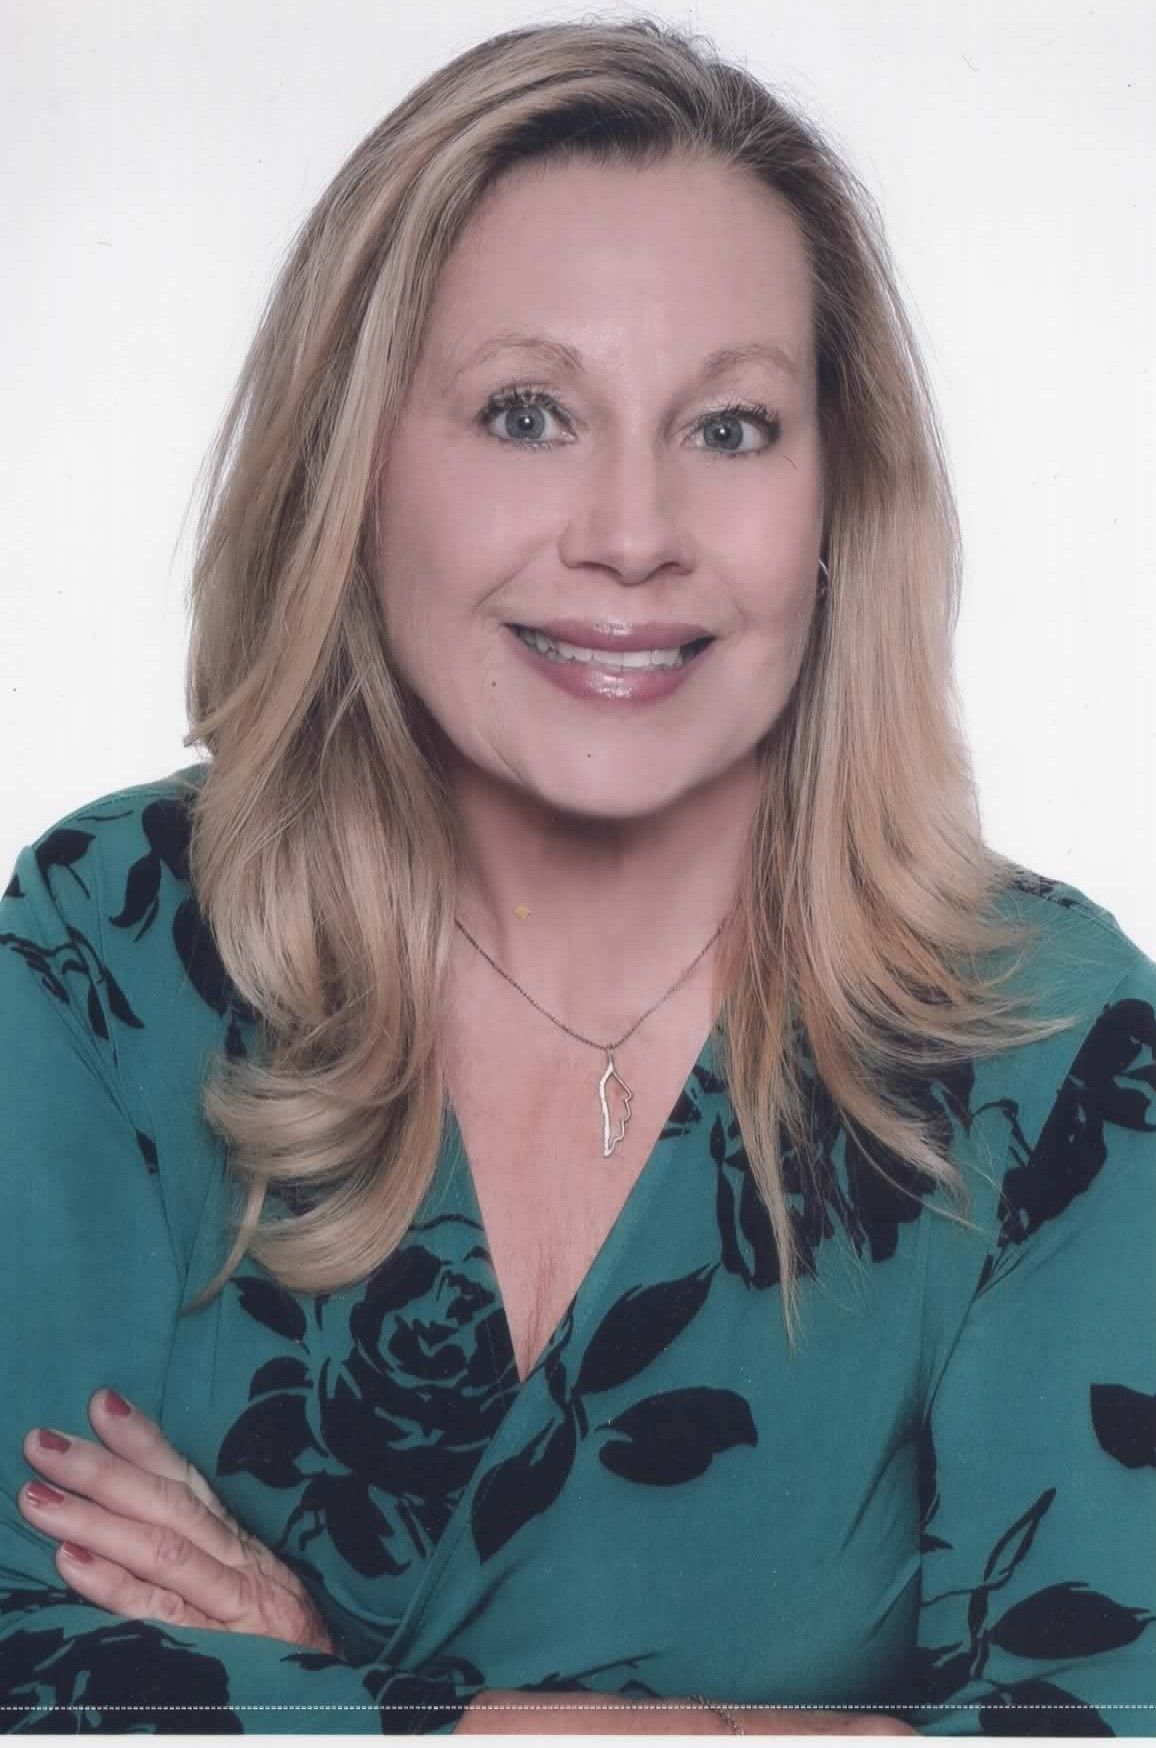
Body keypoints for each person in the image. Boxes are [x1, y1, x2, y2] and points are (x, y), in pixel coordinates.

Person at [1, 15, 1153, 1738]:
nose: (631, 534)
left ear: (841, 498)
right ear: (353, 466)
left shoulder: (1055, 1058)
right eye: (527, 413)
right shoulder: (118, 947)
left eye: (732, 428)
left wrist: (329, 1696)